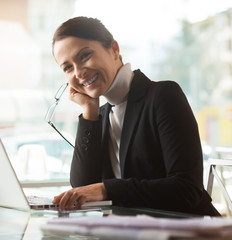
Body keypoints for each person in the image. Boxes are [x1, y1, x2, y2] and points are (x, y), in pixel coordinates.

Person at [51, 16, 220, 216]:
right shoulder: (100, 116)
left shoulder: (163, 96)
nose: (78, 72)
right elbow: (83, 188)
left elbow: (186, 189)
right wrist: (89, 111)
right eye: (68, 67)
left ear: (114, 49)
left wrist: (106, 189)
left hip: (192, 232)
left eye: (85, 55)